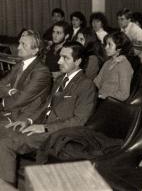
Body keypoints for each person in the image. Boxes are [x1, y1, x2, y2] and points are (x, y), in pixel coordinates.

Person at [0, 42, 97, 185]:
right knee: (3, 130)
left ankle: (6, 186)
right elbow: (45, 106)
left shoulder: (86, 85)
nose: (59, 61)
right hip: (40, 126)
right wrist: (28, 121)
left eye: (65, 58)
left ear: (78, 61)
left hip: (58, 134)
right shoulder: (60, 79)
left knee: (6, 144)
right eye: (60, 57)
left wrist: (45, 128)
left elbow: (79, 120)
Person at [0, 29, 52, 132]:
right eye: (19, 43)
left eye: (23, 44)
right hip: (10, 111)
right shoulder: (19, 64)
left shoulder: (42, 71)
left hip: (21, 117)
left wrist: (2, 102)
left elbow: (21, 99)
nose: (18, 47)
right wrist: (10, 91)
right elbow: (1, 84)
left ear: (35, 50)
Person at [94, 31, 134, 101]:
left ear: (119, 48)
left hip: (110, 104)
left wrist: (102, 96)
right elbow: (97, 82)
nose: (106, 47)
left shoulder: (124, 66)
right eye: (106, 44)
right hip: (99, 99)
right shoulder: (108, 62)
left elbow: (124, 94)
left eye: (109, 45)